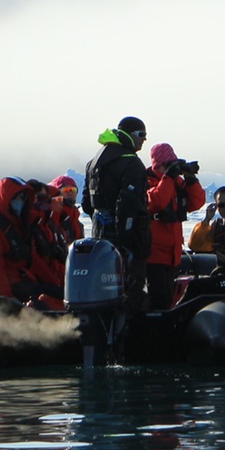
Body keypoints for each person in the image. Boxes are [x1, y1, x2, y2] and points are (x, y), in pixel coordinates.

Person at [82, 116, 153, 314]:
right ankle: (131, 336)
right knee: (131, 287)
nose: (144, 140)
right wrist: (126, 241)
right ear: (129, 135)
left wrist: (101, 219)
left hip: (100, 233)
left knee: (103, 282)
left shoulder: (93, 162)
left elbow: (86, 203)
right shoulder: (131, 163)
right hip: (127, 236)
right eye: (141, 135)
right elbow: (127, 204)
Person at [0, 176, 62, 308]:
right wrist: (7, 299)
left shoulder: (20, 224)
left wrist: (54, 284)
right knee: (55, 299)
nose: (20, 202)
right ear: (6, 198)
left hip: (25, 281)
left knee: (61, 296)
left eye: (23, 198)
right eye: (16, 198)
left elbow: (34, 260)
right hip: (8, 287)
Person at [144, 142, 205, 310]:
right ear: (157, 164)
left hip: (172, 252)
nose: (169, 168)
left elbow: (196, 202)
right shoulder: (146, 182)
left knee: (169, 298)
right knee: (158, 298)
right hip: (153, 253)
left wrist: (191, 178)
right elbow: (157, 202)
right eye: (166, 164)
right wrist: (168, 177)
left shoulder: (176, 183)